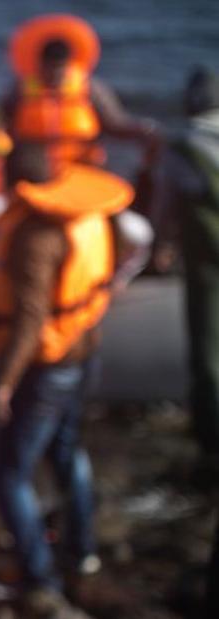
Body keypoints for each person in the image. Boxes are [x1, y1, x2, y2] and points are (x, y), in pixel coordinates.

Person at [0, 144, 133, 619]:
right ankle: (81, 550)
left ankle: (36, 575)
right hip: (84, 353)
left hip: (46, 367)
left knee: (8, 473)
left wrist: (4, 381)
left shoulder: (34, 236)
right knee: (67, 451)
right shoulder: (86, 217)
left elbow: (30, 320)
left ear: (18, 185)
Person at [153, 67, 219, 469]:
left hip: (209, 263)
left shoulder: (183, 145)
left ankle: (211, 437)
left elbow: (166, 204)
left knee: (209, 349)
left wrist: (161, 244)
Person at [3, 14, 160, 169]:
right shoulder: (20, 90)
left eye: (59, 70)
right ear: (40, 66)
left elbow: (115, 124)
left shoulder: (91, 89)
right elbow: (1, 123)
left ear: (68, 65)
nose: (54, 76)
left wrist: (144, 130)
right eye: (49, 70)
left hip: (84, 167)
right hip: (36, 170)